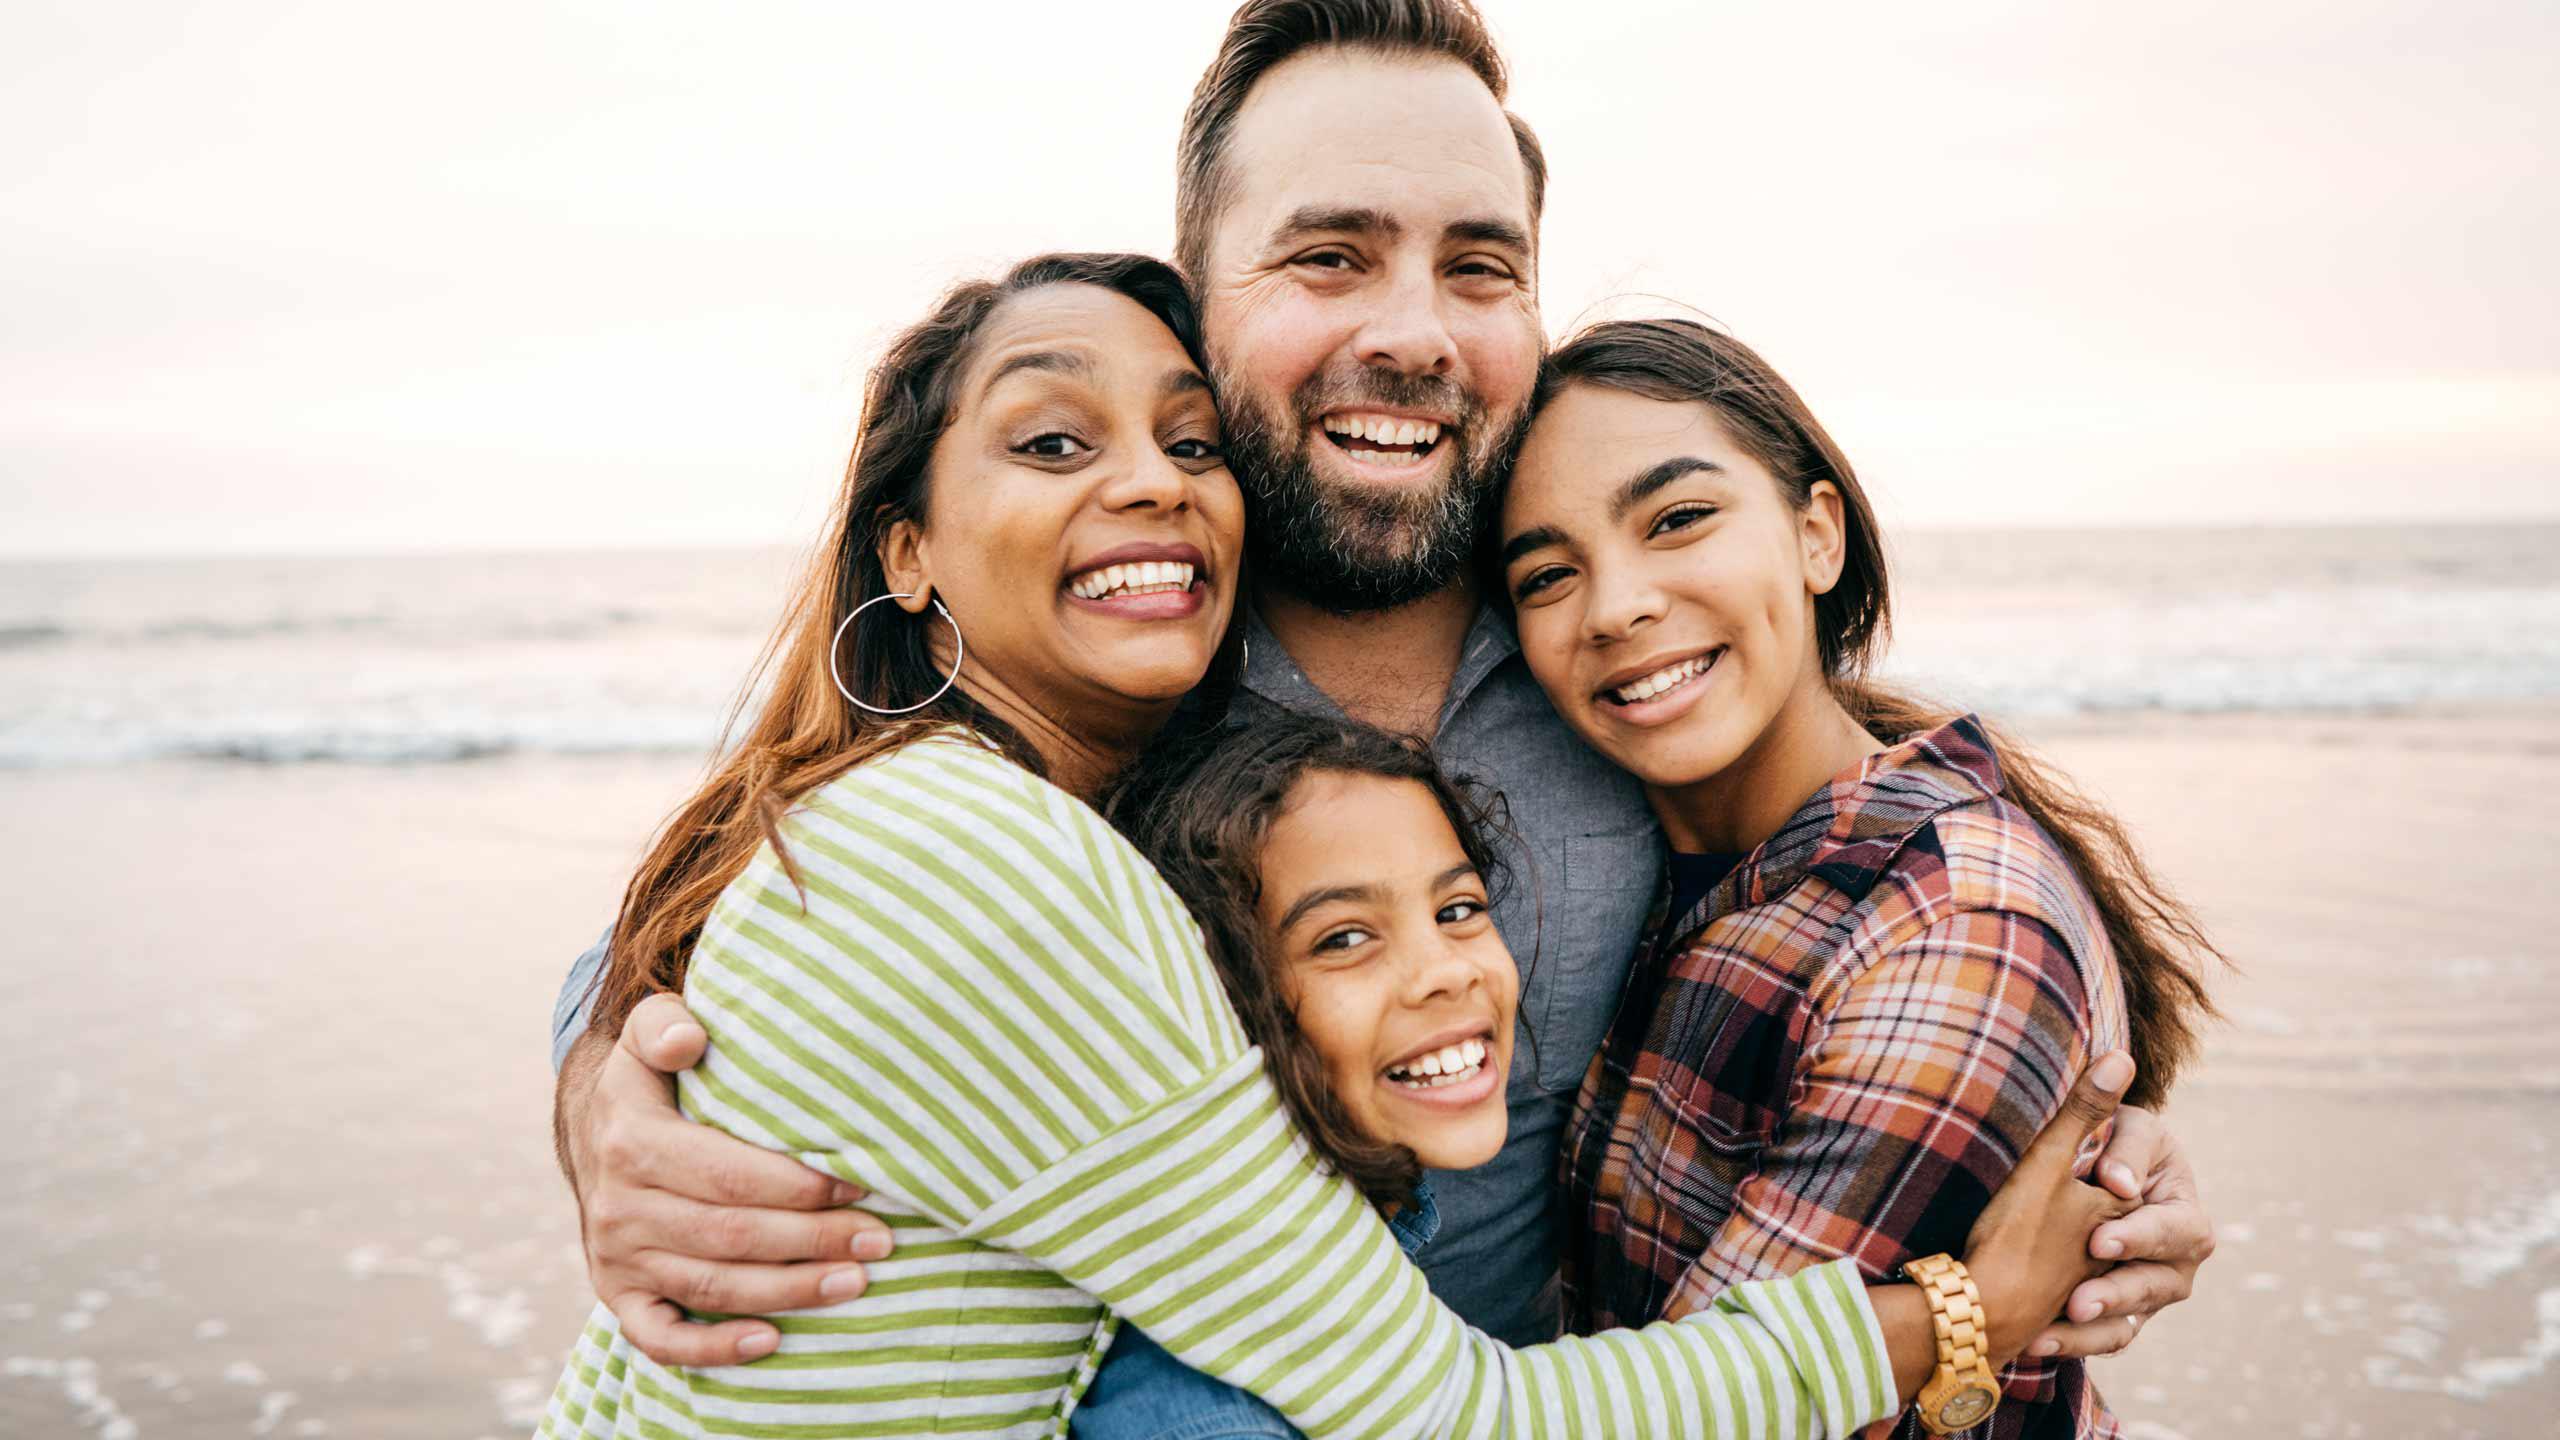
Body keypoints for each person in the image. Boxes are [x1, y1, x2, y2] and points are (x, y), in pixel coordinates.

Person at [547, 0, 2216, 1377]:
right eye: (1331, 257)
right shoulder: (1123, 643)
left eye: (1479, 269)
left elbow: (1846, 853)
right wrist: (605, 1111)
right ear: (1196, 298)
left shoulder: (1600, 637)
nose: (1414, 331)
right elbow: (756, 892)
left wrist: (2089, 1120)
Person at [1497, 317, 2226, 1436]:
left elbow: (1701, 1416)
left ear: (1816, 534)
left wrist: (1967, 1315)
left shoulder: (1956, 925)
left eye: (1679, 519)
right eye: (1548, 574)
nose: (1617, 606)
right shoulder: (1617, 855)